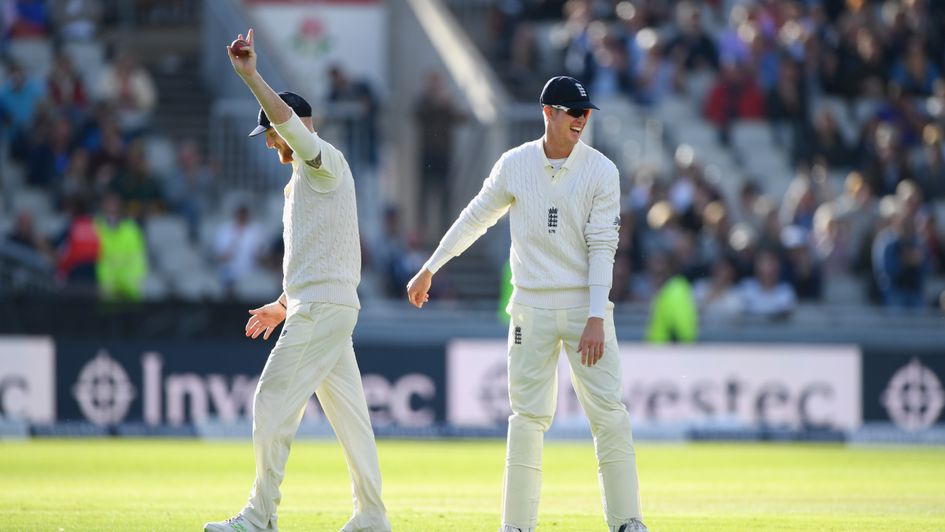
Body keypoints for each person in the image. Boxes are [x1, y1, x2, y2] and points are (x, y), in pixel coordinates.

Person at [407, 76, 646, 532]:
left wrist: (596, 314)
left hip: (583, 309)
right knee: (527, 418)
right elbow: (475, 216)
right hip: (530, 307)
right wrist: (431, 266)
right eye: (573, 112)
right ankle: (515, 526)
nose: (582, 119)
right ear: (548, 113)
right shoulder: (515, 164)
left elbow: (603, 246)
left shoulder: (601, 171)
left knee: (609, 416)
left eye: (586, 112)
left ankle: (627, 522)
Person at [204, 29, 390, 532]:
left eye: (269, 133)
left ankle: (260, 516)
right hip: (321, 303)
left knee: (271, 401)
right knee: (352, 420)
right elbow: (320, 257)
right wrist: (283, 302)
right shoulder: (303, 184)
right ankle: (372, 516)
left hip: (324, 309)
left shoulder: (323, 162)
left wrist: (250, 77)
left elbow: (290, 128)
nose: (268, 143)